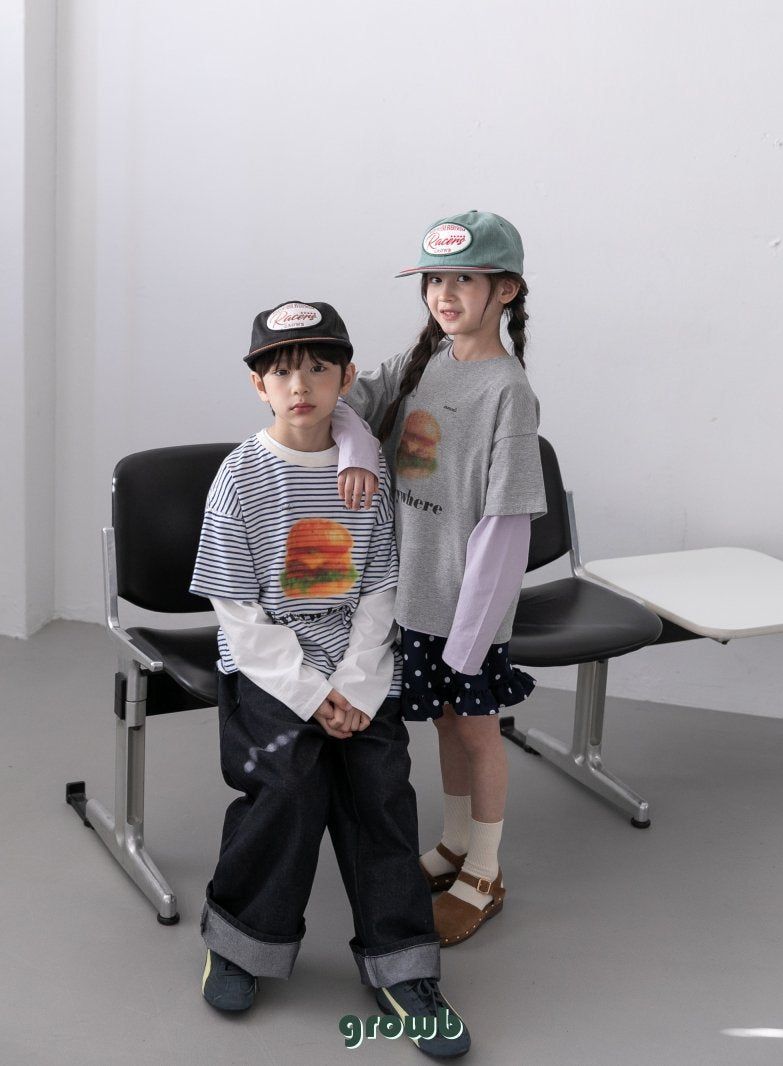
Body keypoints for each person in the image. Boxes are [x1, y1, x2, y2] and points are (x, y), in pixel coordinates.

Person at [190, 300, 470, 1059]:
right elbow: (238, 613)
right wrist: (314, 696)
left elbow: (381, 590)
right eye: (282, 372)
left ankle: (403, 966)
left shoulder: (365, 476)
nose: (301, 385)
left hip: (359, 670)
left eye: (319, 369)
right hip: (271, 673)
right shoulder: (240, 479)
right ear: (258, 385)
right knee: (286, 787)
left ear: (347, 379)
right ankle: (240, 943)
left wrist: (354, 687)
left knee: (379, 791)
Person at [340, 211, 547, 948]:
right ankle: (456, 843)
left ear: (506, 290)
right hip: (414, 595)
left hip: (467, 607)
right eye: (434, 279)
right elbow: (349, 404)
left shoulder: (508, 392)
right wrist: (352, 450)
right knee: (446, 723)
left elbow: (506, 526)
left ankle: (485, 873)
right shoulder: (423, 360)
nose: (444, 295)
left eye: (464, 279)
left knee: (479, 730)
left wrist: (472, 635)